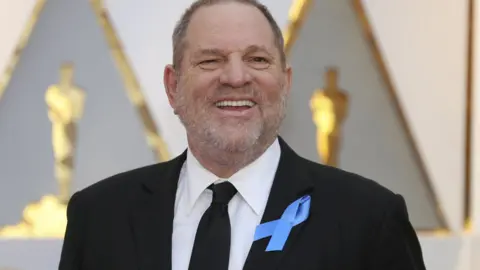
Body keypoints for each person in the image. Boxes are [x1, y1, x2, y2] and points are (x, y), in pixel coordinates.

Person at [58, 0, 427, 269]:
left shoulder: (369, 219)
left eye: (258, 59)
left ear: (285, 83)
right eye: (210, 60)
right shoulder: (99, 217)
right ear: (173, 87)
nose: (236, 78)